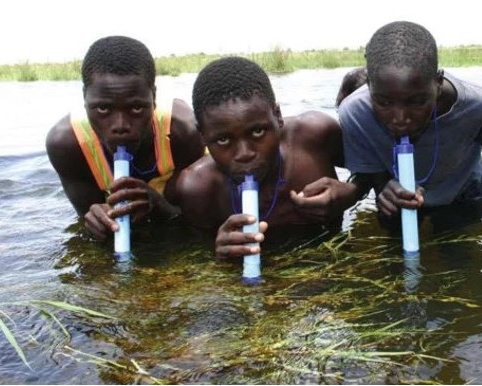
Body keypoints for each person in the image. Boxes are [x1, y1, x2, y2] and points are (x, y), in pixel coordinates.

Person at [175, 56, 356, 259]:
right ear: (202, 136)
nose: (244, 153)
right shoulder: (197, 190)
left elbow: (369, 171)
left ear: (277, 116)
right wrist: (218, 255)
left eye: (258, 131)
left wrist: (353, 193)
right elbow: (193, 257)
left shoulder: (315, 138)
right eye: (224, 140)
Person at [337, 21, 482, 231]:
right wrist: (386, 190)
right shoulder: (354, 113)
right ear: (369, 85)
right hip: (401, 196)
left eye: (417, 102)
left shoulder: (480, 104)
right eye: (384, 103)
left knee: (461, 254)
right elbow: (373, 175)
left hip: (464, 193)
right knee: (395, 256)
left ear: (439, 83)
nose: (400, 118)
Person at [45, 35, 205, 241]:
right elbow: (87, 219)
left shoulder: (183, 132)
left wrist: (159, 207)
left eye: (136, 108)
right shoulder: (66, 144)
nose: (120, 126)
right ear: (85, 98)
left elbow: (190, 218)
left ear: (153, 98)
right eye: (103, 108)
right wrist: (97, 223)